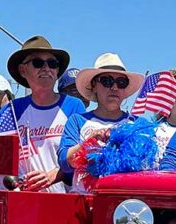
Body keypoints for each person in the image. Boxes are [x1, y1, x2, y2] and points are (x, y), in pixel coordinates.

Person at [0, 36, 86, 193]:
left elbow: (84, 152)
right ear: (23, 70)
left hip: (64, 202)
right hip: (24, 203)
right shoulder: (14, 109)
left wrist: (54, 174)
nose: (46, 68)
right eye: (38, 63)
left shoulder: (73, 105)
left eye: (52, 63)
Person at [58, 53, 143, 193]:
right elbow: (64, 163)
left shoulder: (138, 124)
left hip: (125, 205)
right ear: (94, 86)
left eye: (121, 82)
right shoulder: (77, 121)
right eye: (107, 81)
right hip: (84, 203)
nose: (114, 88)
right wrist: (88, 144)